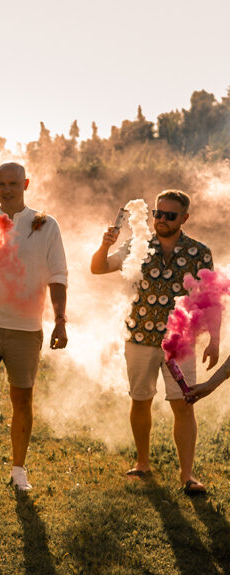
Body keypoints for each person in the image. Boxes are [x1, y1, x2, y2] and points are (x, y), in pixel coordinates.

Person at [90, 190, 217, 495]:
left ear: (184, 218)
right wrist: (104, 245)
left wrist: (215, 340)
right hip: (140, 337)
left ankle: (187, 476)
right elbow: (98, 268)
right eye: (157, 213)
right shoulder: (138, 245)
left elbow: (210, 301)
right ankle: (142, 462)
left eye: (169, 215)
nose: (160, 219)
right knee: (140, 399)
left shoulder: (200, 252)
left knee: (184, 405)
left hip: (180, 341)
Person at [0, 161, 68, 498]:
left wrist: (60, 320)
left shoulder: (45, 225)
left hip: (26, 326)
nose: (6, 189)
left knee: (22, 398)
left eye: (13, 184)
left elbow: (58, 275)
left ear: (25, 184)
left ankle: (19, 469)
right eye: (1, 184)